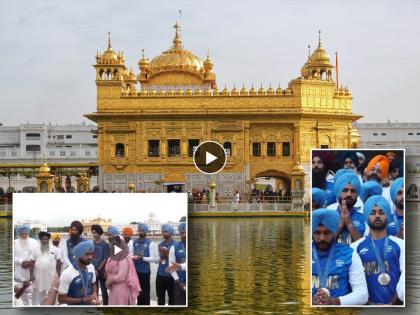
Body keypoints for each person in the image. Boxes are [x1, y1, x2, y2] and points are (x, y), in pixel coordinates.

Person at [351, 195, 404, 304]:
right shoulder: (354, 248)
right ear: (366, 216)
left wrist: (392, 304)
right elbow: (354, 284)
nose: (377, 216)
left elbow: (405, 278)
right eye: (373, 212)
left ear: (387, 215)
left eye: (381, 212)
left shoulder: (401, 244)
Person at [312, 209, 368, 305]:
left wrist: (335, 301)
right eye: (317, 233)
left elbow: (363, 294)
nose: (322, 238)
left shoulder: (349, 254)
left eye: (327, 233)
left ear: (334, 231)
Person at [58, 241, 99, 305]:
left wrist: (94, 293)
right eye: (87, 254)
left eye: (91, 254)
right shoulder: (67, 273)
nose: (90, 257)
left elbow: (93, 284)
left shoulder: (91, 267)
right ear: (78, 255)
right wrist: (82, 300)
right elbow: (61, 299)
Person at [105, 235, 140, 305]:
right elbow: (107, 270)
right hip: (113, 288)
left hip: (120, 289)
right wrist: (108, 279)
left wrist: (109, 281)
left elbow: (122, 276)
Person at [333, 173, 365, 245]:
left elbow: (365, 248)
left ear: (357, 195)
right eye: (345, 190)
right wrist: (340, 225)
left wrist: (350, 224)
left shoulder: (364, 218)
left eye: (353, 191)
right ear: (338, 192)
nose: (349, 194)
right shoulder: (329, 217)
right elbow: (323, 247)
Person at [32, 231, 62, 305]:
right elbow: (32, 262)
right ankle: (42, 307)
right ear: (40, 240)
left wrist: (58, 274)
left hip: (51, 275)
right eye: (43, 239)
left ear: (49, 239)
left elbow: (59, 261)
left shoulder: (55, 249)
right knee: (40, 292)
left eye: (46, 239)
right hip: (39, 276)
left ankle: (53, 306)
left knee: (53, 291)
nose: (45, 241)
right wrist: (31, 275)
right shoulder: (35, 249)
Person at [132, 223, 156, 305]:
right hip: (136, 271)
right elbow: (131, 254)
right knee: (138, 292)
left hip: (145, 272)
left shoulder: (150, 243)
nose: (140, 232)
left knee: (145, 293)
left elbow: (153, 259)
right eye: (139, 230)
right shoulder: (134, 242)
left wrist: (142, 258)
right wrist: (132, 257)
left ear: (146, 231)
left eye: (142, 230)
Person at [14, 225, 38, 305]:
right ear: (18, 234)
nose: (24, 236)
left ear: (28, 233)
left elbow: (38, 254)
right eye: (21, 234)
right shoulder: (14, 242)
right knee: (22, 289)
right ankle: (26, 306)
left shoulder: (34, 242)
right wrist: (21, 262)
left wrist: (30, 262)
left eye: (25, 234)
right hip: (20, 271)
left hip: (32, 270)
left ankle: (35, 306)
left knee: (35, 289)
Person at [156, 224, 175, 305]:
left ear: (171, 232)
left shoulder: (176, 245)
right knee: (160, 298)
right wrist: (160, 256)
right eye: (163, 232)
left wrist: (167, 253)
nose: (164, 233)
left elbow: (177, 261)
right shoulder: (160, 244)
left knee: (172, 298)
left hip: (171, 276)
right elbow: (158, 259)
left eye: (166, 232)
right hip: (160, 274)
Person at [91, 224, 110, 305]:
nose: (94, 235)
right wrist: (92, 269)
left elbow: (106, 258)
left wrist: (98, 269)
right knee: (94, 290)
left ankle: (106, 306)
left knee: (103, 290)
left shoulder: (105, 244)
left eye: (95, 232)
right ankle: (96, 304)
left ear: (99, 232)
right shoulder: (92, 243)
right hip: (93, 271)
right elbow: (90, 256)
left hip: (101, 271)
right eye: (93, 233)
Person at [169, 222, 187, 305]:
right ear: (179, 233)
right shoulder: (174, 247)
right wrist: (178, 281)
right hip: (179, 282)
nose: (184, 235)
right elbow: (171, 266)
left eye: (186, 232)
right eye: (182, 233)